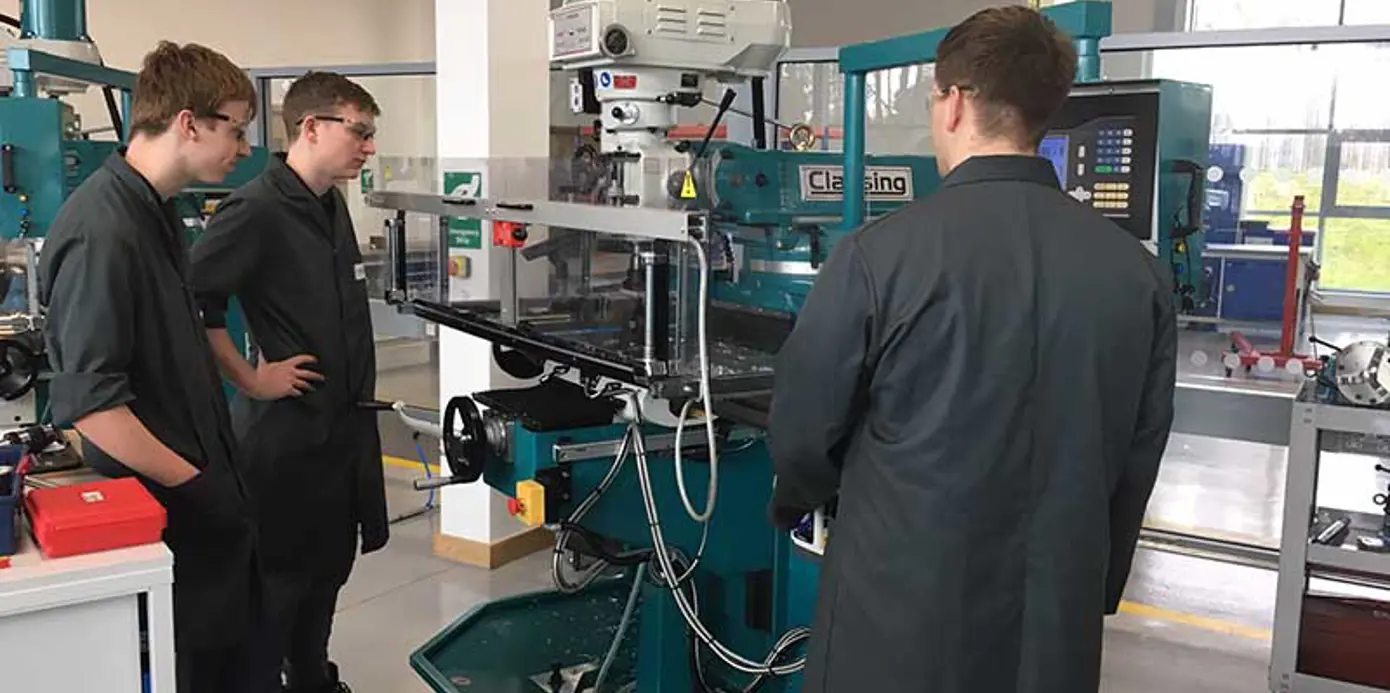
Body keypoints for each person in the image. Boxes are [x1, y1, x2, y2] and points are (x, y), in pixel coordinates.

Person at [767, 6, 1177, 693]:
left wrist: (797, 502)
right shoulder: (1136, 273)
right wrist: (1091, 585)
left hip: (899, 620)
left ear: (953, 102)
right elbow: (1139, 451)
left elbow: (805, 428)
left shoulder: (879, 256)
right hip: (1053, 626)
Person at [38, 42, 265, 693]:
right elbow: (93, 407)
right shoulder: (103, 230)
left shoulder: (158, 212)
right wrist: (196, 484)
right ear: (189, 122)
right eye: (236, 128)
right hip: (169, 511)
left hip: (203, 503)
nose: (244, 148)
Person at [189, 71, 388, 693]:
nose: (369, 146)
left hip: (342, 436)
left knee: (329, 571)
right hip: (286, 445)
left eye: (371, 134)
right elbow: (193, 301)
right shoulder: (257, 208)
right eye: (359, 131)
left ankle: (311, 676)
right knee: (278, 588)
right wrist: (250, 377)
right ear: (311, 127)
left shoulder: (330, 204)